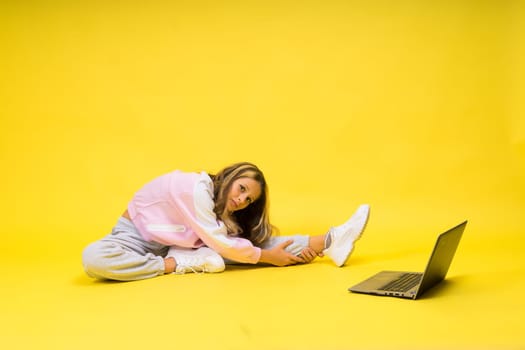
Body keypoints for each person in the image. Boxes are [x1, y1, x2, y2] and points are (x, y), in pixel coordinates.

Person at [82, 162, 370, 281]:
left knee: (249, 246)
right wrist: (268, 258)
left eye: (249, 200)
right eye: (241, 189)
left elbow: (237, 246)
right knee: (94, 258)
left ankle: (331, 241)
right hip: (137, 238)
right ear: (229, 176)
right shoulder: (193, 188)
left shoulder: (218, 208)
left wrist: (269, 255)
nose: (241, 201)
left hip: (185, 243)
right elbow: (224, 245)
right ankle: (179, 262)